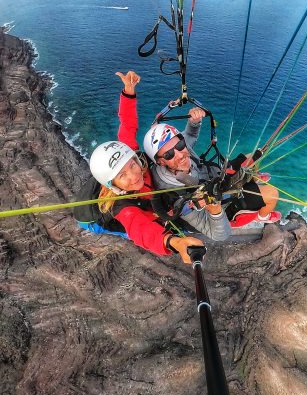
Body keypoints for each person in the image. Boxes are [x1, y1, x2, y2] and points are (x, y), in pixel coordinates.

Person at [75, 71, 218, 264]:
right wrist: (174, 242)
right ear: (114, 184)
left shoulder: (129, 155)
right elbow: (140, 229)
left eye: (132, 165)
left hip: (104, 185)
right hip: (90, 219)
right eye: (122, 175)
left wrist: (128, 91)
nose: (134, 175)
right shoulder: (121, 206)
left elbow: (127, 125)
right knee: (147, 221)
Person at [143, 117, 281, 230]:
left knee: (252, 157)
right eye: (168, 155)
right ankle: (262, 217)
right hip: (220, 205)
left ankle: (249, 177)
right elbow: (193, 210)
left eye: (179, 145)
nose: (179, 154)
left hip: (214, 177)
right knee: (272, 193)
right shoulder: (173, 190)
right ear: (160, 162)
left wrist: (194, 122)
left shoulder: (181, 152)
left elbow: (189, 135)